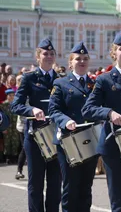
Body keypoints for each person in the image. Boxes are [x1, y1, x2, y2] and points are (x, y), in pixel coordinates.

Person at [82, 31, 121, 211]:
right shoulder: (104, 79)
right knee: (119, 201)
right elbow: (88, 109)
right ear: (113, 52)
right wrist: (109, 113)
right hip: (113, 145)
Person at [10, 38, 61, 211]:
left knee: (55, 184)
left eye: (51, 54)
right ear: (38, 57)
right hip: (35, 138)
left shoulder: (61, 79)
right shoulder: (29, 78)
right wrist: (31, 110)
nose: (48, 56)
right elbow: (15, 105)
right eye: (45, 54)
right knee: (36, 184)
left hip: (56, 137)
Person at [49, 41, 98, 212]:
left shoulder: (94, 84)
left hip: (90, 140)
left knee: (86, 187)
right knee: (70, 187)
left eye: (85, 58)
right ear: (70, 63)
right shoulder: (61, 83)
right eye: (78, 59)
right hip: (68, 141)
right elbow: (53, 110)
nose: (82, 61)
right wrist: (65, 120)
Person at [0, 89, 19, 164]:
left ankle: (14, 157)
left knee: (15, 142)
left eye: (13, 95)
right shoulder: (3, 105)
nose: (11, 97)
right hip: (7, 126)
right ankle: (7, 157)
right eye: (10, 95)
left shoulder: (16, 104)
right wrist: (2, 128)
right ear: (7, 96)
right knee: (7, 142)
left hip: (15, 126)